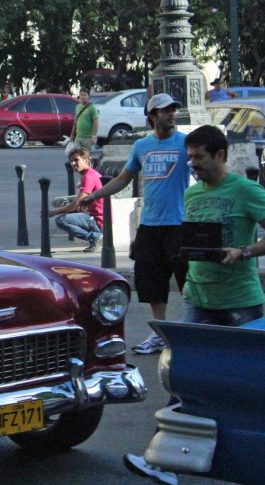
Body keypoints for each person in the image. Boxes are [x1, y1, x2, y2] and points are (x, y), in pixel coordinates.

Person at [124, 125, 265, 485]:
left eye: (199, 157)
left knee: (246, 385)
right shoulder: (193, 194)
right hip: (198, 299)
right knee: (185, 380)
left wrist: (244, 251)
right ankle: (162, 461)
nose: (193, 164)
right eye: (190, 158)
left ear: (220, 155)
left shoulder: (246, 190)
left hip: (240, 304)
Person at [78, 93, 190, 355]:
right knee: (152, 283)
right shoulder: (141, 146)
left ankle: (190, 333)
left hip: (180, 223)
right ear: (152, 116)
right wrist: (94, 195)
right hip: (150, 224)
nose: (172, 114)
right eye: (165, 111)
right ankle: (160, 334)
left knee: (189, 281)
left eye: (174, 110)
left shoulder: (185, 144)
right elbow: (123, 179)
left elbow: (203, 170)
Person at [48, 145, 103, 252]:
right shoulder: (90, 174)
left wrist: (54, 212)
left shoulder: (88, 177)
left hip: (99, 221)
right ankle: (95, 235)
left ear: (86, 160)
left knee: (61, 220)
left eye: (76, 160)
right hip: (97, 217)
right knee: (68, 214)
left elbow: (77, 203)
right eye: (71, 161)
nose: (73, 164)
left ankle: (94, 237)